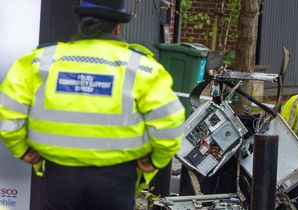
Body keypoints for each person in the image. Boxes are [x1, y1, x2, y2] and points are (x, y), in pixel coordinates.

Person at [0, 0, 185, 209]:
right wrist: (155, 161)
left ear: (80, 22)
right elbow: (170, 124)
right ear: (117, 27)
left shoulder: (40, 61)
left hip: (59, 177)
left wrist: (22, 150)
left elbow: (8, 110)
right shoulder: (142, 68)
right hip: (116, 180)